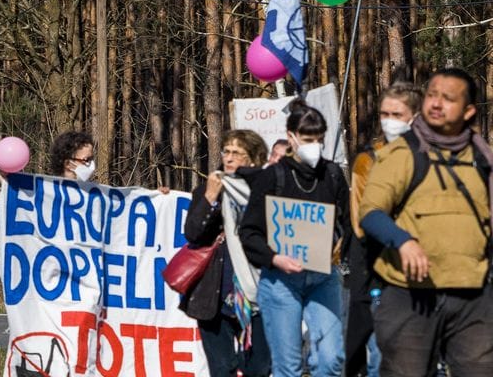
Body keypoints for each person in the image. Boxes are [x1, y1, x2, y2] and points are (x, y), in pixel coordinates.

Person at [359, 68, 493, 375]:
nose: (436, 104)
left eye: (448, 98)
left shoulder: (483, 158)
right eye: (432, 95)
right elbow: (371, 212)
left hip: (474, 295)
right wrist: (402, 241)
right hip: (411, 296)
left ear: (469, 110)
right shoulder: (402, 153)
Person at [240, 99, 349, 377]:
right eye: (307, 139)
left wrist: (340, 248)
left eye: (319, 139)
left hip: (323, 277)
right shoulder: (272, 177)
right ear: (291, 137)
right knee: (287, 366)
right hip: (281, 281)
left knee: (330, 358)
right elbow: (249, 232)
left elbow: (348, 223)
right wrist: (274, 258)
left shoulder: (333, 175)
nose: (314, 145)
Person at [179, 129, 271, 377]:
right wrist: (210, 196)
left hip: (259, 294)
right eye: (226, 151)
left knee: (259, 367)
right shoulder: (210, 188)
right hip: (215, 295)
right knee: (222, 369)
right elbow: (193, 233)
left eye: (237, 153)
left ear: (253, 159)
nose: (228, 158)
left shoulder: (268, 191)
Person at [345, 84, 420, 377]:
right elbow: (362, 217)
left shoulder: (430, 154)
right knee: (382, 348)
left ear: (414, 116)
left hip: (425, 265)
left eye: (397, 114)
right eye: (384, 113)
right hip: (379, 263)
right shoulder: (369, 159)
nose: (389, 120)